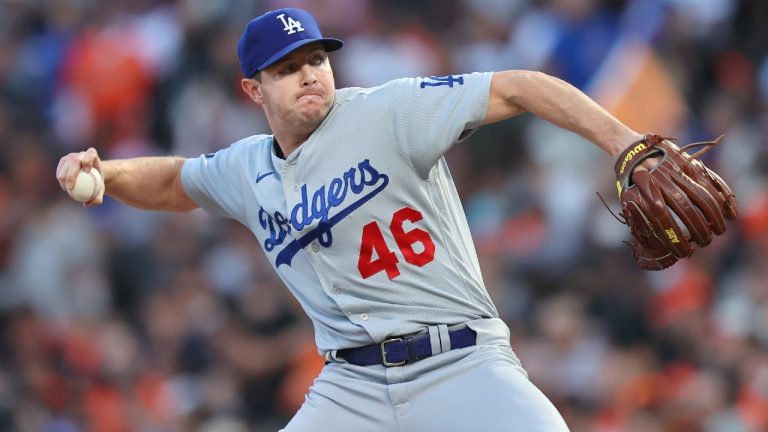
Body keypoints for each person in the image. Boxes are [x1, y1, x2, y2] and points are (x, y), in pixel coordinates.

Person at [56, 7, 646, 431]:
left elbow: (519, 87)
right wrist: (105, 172)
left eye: (316, 59)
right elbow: (172, 180)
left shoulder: (388, 111)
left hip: (460, 362)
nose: (310, 73)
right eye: (287, 69)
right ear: (252, 90)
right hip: (352, 387)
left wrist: (625, 143)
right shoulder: (246, 167)